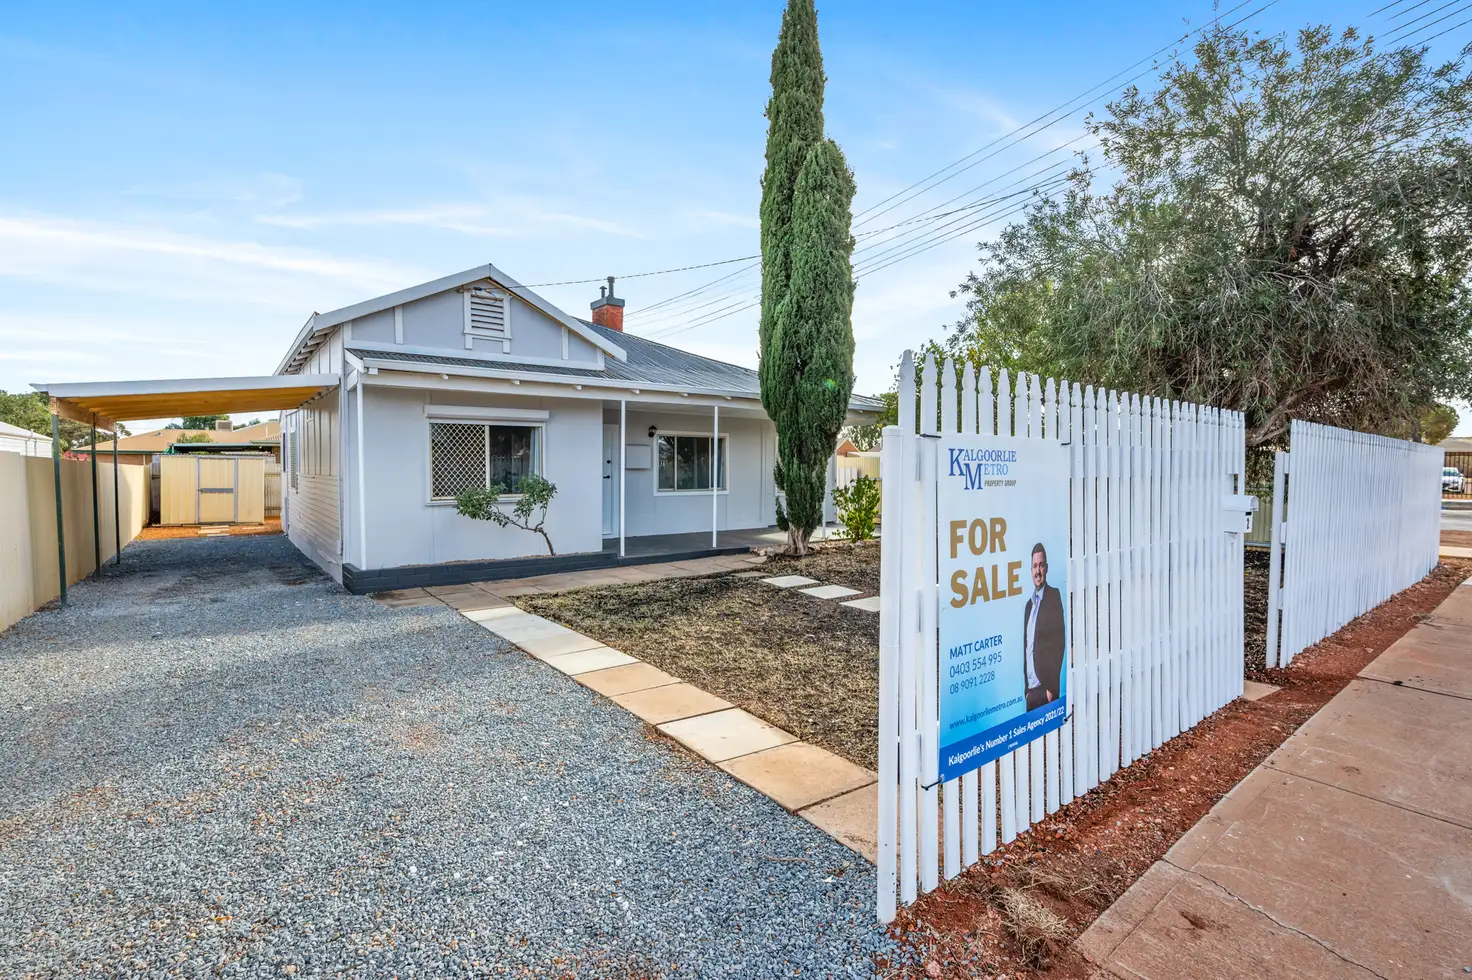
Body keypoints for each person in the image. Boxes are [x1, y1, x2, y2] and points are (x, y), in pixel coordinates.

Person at [1022, 543, 1065, 711]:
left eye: (1041, 565)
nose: (1037, 571)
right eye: (1034, 566)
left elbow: (1058, 642)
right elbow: (1026, 647)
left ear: (1046, 568)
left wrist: (1051, 690)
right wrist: (1026, 690)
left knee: (1051, 737)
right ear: (1030, 570)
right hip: (1030, 693)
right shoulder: (1028, 606)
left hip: (1045, 690)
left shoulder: (1053, 596)